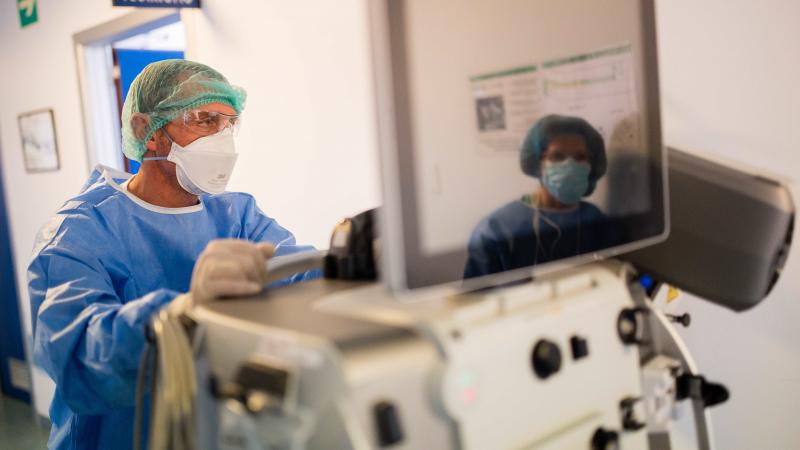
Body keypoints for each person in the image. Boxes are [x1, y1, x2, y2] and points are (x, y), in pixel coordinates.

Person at [27, 60, 319, 450]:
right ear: (145, 131)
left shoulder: (237, 215)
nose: (223, 139)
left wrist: (356, 257)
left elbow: (299, 275)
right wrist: (180, 315)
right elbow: (77, 357)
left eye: (229, 124)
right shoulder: (77, 232)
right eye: (205, 120)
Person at [464, 114, 620, 279]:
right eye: (558, 156)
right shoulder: (496, 229)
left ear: (592, 165)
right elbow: (477, 293)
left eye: (580, 157)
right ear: (538, 163)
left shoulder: (598, 222)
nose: (570, 165)